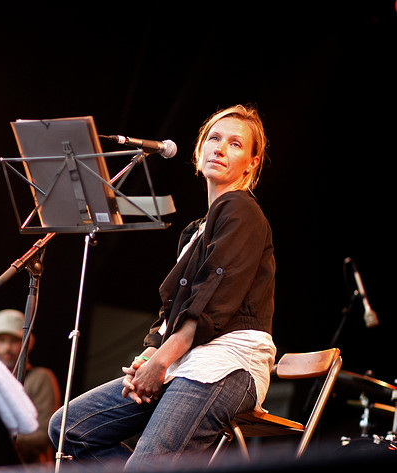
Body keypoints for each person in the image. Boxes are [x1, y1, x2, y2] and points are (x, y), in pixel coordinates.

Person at [48, 104, 276, 470]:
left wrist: (160, 361)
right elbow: (175, 309)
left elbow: (211, 302)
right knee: (67, 430)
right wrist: (147, 356)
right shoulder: (196, 229)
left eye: (235, 144)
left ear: (251, 163)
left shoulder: (241, 209)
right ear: (199, 150)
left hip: (226, 365)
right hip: (184, 358)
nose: (219, 148)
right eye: (213, 139)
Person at [0, 309, 61, 464]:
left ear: (29, 342)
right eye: (1, 340)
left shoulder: (40, 377)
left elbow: (45, 435)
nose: (7, 347)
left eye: (14, 341)